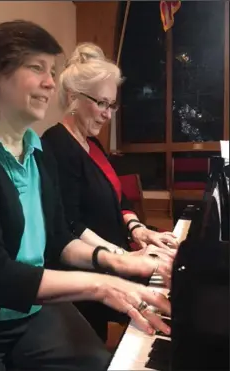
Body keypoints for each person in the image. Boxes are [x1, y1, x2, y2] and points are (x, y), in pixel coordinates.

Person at [0, 22, 171, 371]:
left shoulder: (37, 150)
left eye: (52, 71)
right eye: (36, 68)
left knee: (102, 364)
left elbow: (59, 239)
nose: (50, 82)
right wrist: (104, 286)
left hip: (32, 313)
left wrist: (125, 263)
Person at [42, 43, 179, 340]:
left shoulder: (92, 143)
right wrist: (126, 258)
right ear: (73, 98)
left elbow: (119, 197)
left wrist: (140, 230)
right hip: (87, 273)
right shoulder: (56, 145)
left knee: (179, 284)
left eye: (112, 105)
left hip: (115, 258)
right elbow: (70, 226)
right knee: (167, 316)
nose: (108, 114)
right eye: (101, 103)